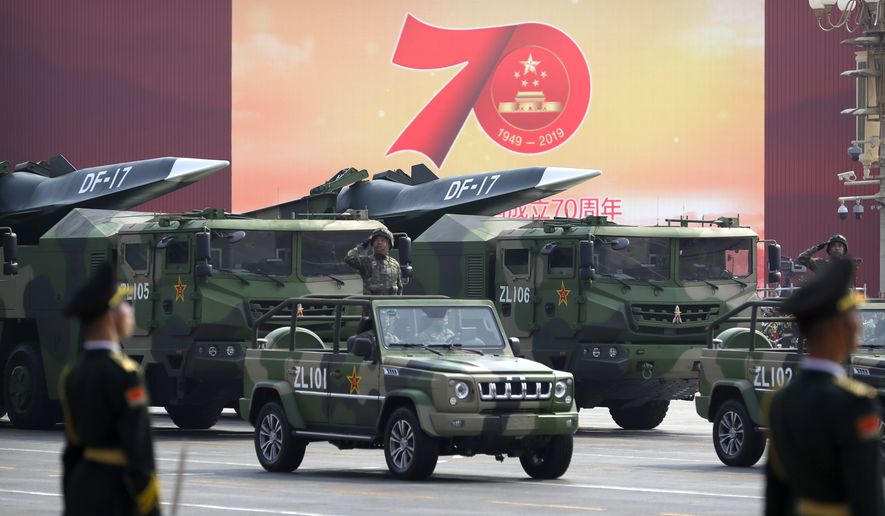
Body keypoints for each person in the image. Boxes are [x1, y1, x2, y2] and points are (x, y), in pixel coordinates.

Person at [764, 258, 883, 516]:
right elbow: (866, 496)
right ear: (837, 327)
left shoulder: (781, 400)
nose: (857, 325)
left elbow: (776, 496)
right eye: (852, 316)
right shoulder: (856, 403)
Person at [59, 262, 161, 516]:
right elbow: (139, 454)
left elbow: (71, 450)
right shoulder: (124, 374)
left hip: (81, 489)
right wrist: (152, 510)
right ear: (109, 316)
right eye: (124, 305)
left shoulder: (72, 374)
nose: (129, 311)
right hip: (116, 492)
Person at [344, 227, 403, 295]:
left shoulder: (395, 264)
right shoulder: (366, 261)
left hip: (390, 304)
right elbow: (348, 258)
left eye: (382, 240)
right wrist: (363, 245)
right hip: (372, 304)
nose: (379, 242)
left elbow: (399, 288)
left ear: (389, 244)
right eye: (376, 240)